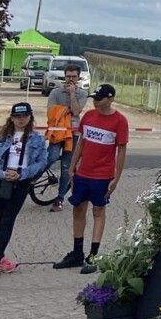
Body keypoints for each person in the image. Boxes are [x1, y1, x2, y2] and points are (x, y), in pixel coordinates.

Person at [53, 85, 130, 273]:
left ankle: (93, 255)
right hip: (82, 173)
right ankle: (77, 253)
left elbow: (121, 151)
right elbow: (82, 142)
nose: (96, 102)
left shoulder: (120, 121)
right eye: (94, 98)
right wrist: (72, 167)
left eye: (100, 98)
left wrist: (116, 177)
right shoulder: (88, 116)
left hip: (102, 175)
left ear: (110, 99)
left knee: (98, 211)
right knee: (78, 209)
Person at [0, 102, 48, 278]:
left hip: (22, 181)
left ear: (30, 117)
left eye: (25, 116)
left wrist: (22, 174)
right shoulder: (3, 137)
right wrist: (3, 173)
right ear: (11, 118)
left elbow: (42, 162)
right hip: (4, 181)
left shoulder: (37, 138)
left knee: (8, 219)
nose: (21, 120)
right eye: (17, 116)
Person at [45, 62, 87, 212]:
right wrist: (65, 110)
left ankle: (59, 199)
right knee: (50, 157)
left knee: (66, 167)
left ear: (78, 77)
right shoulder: (55, 92)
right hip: (57, 131)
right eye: (68, 76)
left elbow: (76, 112)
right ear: (64, 76)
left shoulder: (82, 93)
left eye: (73, 77)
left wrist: (72, 94)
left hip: (73, 134)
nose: (70, 79)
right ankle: (31, 179)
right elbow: (51, 112)